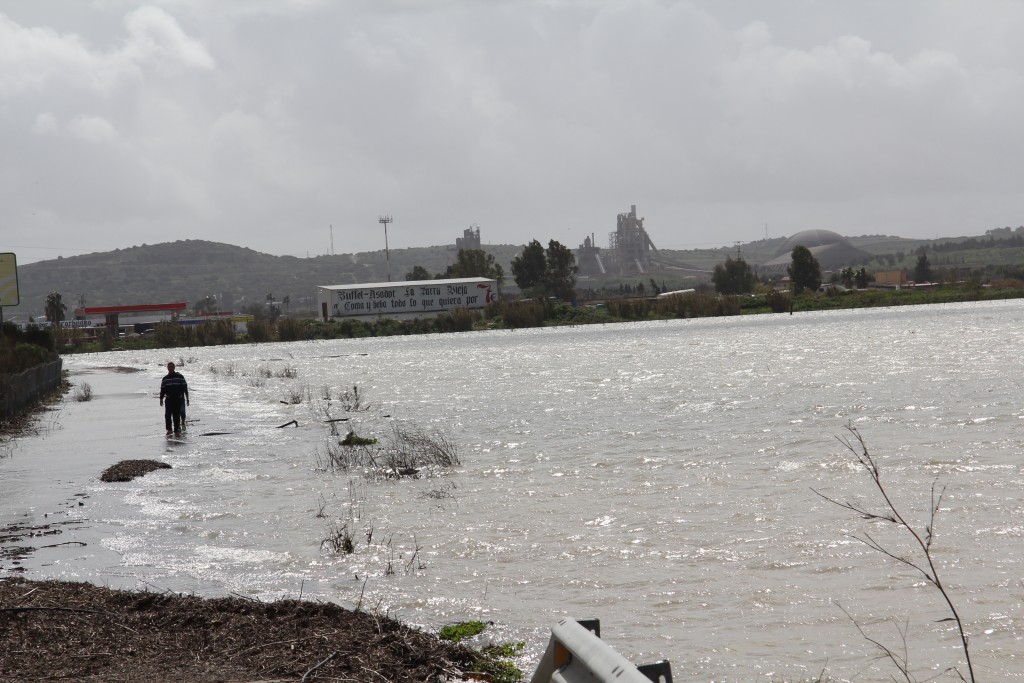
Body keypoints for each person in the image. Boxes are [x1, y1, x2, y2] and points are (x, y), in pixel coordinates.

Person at [159, 362, 189, 436]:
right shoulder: (165, 378)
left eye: (172, 366)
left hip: (178, 399)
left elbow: (185, 388)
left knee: (176, 415)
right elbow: (162, 390)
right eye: (169, 367)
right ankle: (169, 430)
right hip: (169, 399)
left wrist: (187, 398)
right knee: (168, 415)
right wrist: (161, 399)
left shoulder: (180, 377)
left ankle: (177, 430)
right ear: (167, 368)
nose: (171, 368)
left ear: (174, 367)